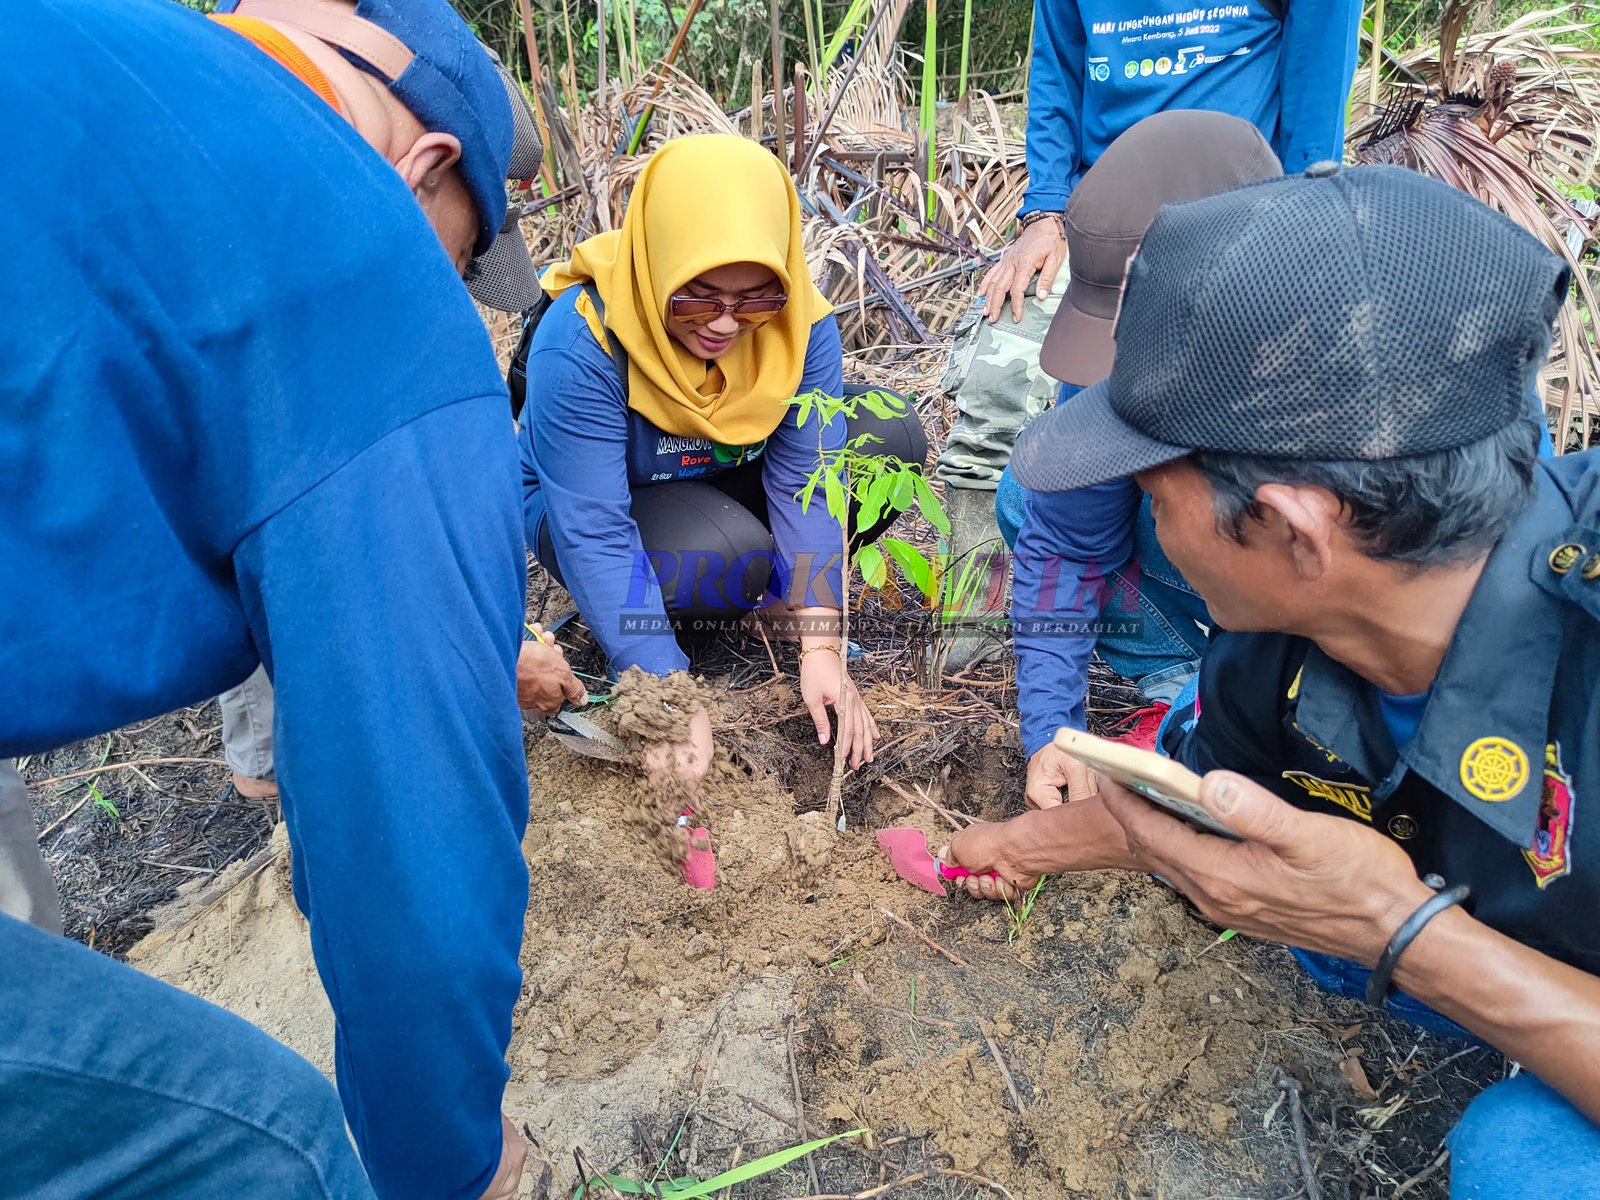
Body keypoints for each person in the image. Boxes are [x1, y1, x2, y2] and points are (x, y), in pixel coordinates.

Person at [944, 163, 1600, 1193]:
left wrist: (1404, 936)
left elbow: (1381, 925)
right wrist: (994, 849)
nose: (1148, 530)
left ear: (1293, 529)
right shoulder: (1270, 650)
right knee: (1316, 940)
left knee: (1520, 1160)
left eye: (1155, 498)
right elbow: (1185, 806)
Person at [2, 0, 559, 1194]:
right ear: (425, 169)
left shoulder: (110, 61)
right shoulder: (362, 263)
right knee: (275, 1148)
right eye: (464, 258)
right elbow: (416, 851)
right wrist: (455, 1161)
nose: (451, 291)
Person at [933, 0, 1363, 670]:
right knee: (1032, 439)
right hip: (1104, 235)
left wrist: (1304, 225)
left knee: (1223, 462)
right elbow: (1057, 72)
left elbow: (1315, 86)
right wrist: (1045, 212)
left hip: (1231, 225)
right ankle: (1145, 659)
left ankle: (1258, 659)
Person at [519, 134, 926, 774]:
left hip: (723, 468)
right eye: (698, 295)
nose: (724, 325)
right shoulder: (582, 340)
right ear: (657, 264)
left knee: (890, 441)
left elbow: (808, 481)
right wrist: (665, 691)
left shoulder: (800, 325)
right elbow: (595, 528)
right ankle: (721, 598)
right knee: (723, 557)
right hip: (600, 502)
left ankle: (770, 596)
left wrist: (822, 645)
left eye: (756, 299)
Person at [1001, 110, 1282, 810]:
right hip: (1210, 576)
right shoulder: (1118, 347)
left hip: (1317, 605)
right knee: (1034, 488)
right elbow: (1064, 544)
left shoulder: (1372, 376)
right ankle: (1175, 677)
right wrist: (1052, 735)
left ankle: (1215, 700)